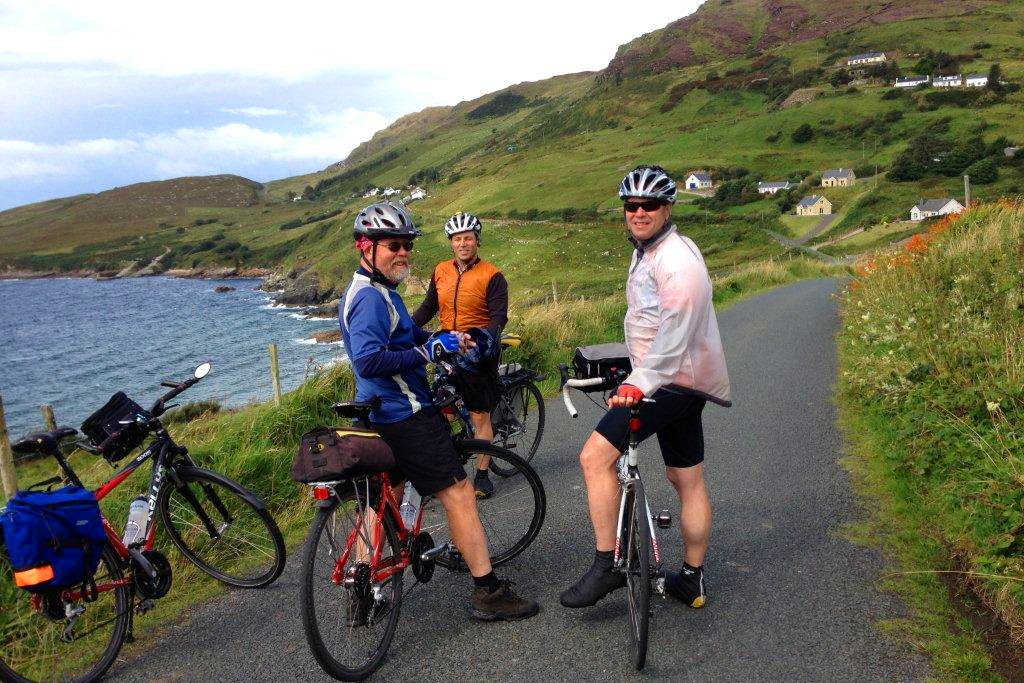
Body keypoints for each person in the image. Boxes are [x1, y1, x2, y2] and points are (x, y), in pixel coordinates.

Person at [338, 201, 538, 621]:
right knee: (459, 493)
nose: (403, 253)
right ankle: (488, 591)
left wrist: (440, 340)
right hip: (406, 414)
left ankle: (362, 592)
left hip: (375, 414)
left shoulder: (375, 290)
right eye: (393, 245)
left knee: (380, 502)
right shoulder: (371, 298)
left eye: (407, 245)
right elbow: (370, 360)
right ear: (365, 247)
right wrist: (427, 352)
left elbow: (408, 333)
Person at [559, 166, 731, 610]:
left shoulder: (676, 261)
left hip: (666, 384)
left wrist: (637, 382)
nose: (638, 212)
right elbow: (648, 321)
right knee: (685, 478)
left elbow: (674, 336)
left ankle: (607, 566)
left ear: (667, 208)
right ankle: (691, 580)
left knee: (594, 458)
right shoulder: (650, 250)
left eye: (649, 205)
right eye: (631, 205)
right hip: (681, 383)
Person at [412, 212, 508, 499]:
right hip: (446, 346)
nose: (463, 244)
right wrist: (403, 329)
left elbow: (498, 317)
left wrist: (479, 339)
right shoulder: (440, 271)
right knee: (441, 406)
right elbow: (428, 307)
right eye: (457, 239)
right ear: (451, 243)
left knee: (479, 415)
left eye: (468, 238)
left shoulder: (492, 275)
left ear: (477, 241)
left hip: (477, 349)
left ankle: (482, 476)